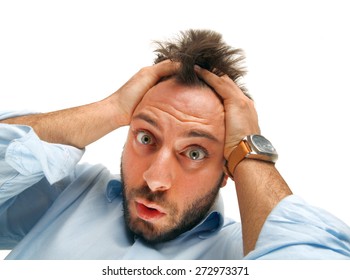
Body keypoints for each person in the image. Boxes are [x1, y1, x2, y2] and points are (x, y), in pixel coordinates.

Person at [0, 29, 349, 260]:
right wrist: (110, 109)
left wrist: (249, 153)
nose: (155, 180)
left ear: (228, 169)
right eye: (146, 138)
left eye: (195, 153)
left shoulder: (239, 254)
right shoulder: (63, 196)